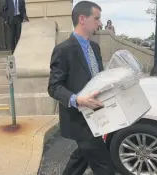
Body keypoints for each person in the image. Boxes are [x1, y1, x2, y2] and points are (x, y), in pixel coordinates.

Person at [48, 1, 116, 175]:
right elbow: (54, 87)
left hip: (98, 115)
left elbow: (97, 78)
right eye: (97, 18)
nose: (100, 23)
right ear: (82, 19)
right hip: (79, 120)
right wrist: (77, 99)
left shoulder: (95, 47)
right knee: (105, 166)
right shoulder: (63, 50)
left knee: (81, 158)